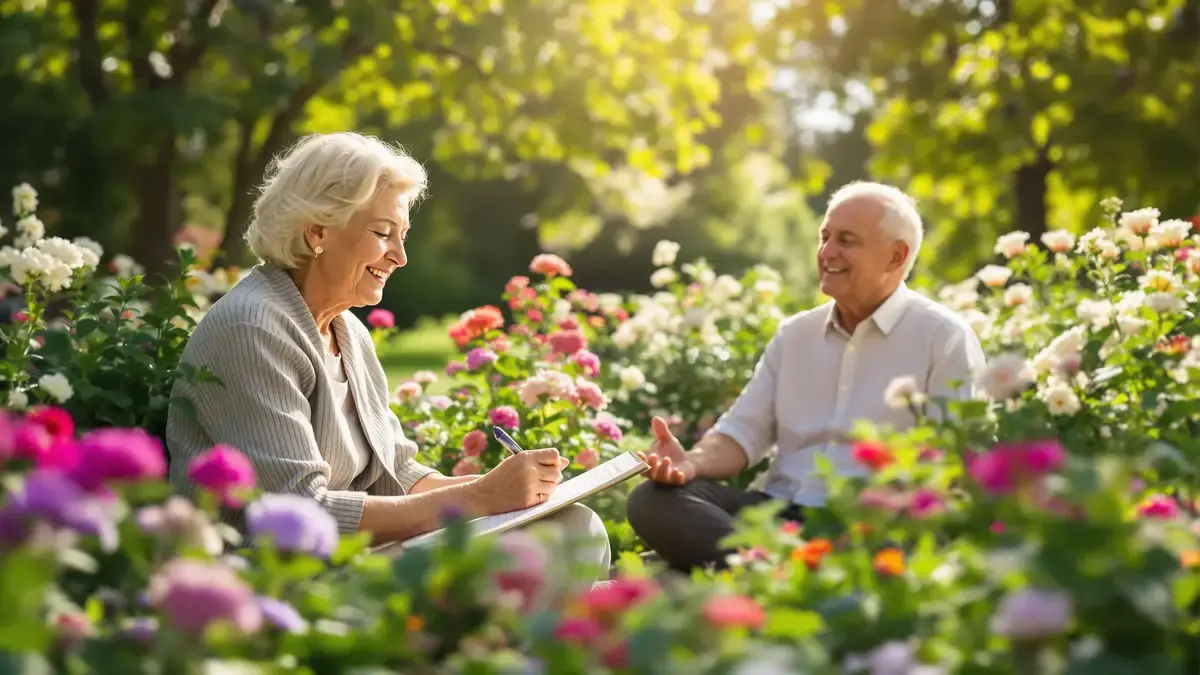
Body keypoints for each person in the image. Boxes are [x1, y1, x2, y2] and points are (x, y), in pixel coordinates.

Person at [165, 132, 610, 584]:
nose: (400, 256)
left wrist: (509, 486)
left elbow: (397, 472)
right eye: (382, 233)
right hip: (287, 580)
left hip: (367, 554)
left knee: (575, 528)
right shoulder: (253, 329)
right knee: (552, 552)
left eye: (402, 235)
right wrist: (478, 498)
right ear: (318, 231)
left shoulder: (346, 330)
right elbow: (301, 517)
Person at [626, 181, 986, 573]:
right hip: (780, 514)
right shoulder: (795, 334)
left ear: (895, 256)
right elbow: (742, 433)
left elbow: (955, 466)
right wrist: (690, 463)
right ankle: (788, 574)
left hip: (870, 524)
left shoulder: (943, 337)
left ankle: (769, 573)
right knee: (653, 500)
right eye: (825, 236)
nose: (827, 252)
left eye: (847, 240)